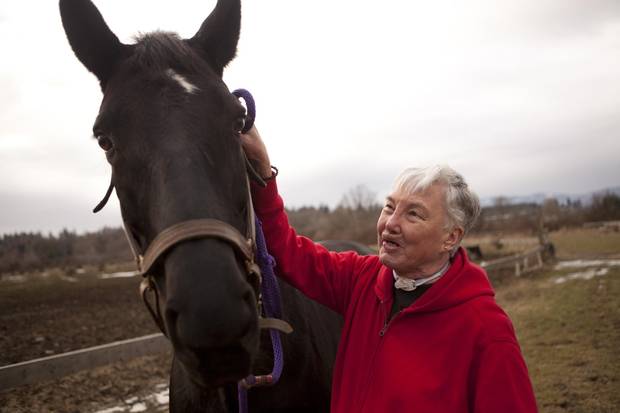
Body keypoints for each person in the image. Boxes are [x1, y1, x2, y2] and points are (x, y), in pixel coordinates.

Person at [240, 126, 538, 413]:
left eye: (413, 213)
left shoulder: (486, 332)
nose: (390, 224)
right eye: (389, 207)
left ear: (451, 237)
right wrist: (263, 173)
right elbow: (287, 251)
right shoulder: (362, 280)